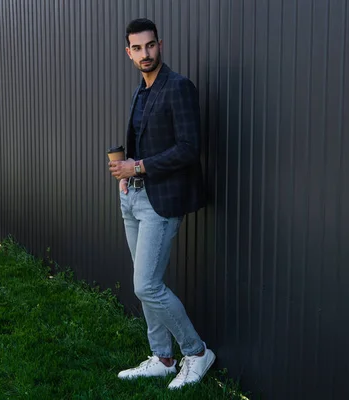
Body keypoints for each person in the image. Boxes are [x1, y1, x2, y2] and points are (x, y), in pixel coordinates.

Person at [108, 18, 215, 390]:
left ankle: (197, 352)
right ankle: (163, 357)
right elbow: (141, 142)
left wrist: (136, 166)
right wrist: (128, 176)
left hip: (162, 201)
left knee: (146, 286)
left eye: (150, 46)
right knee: (146, 284)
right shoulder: (142, 90)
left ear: (160, 45)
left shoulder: (179, 87)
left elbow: (189, 148)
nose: (145, 54)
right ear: (129, 52)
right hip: (133, 196)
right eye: (137, 48)